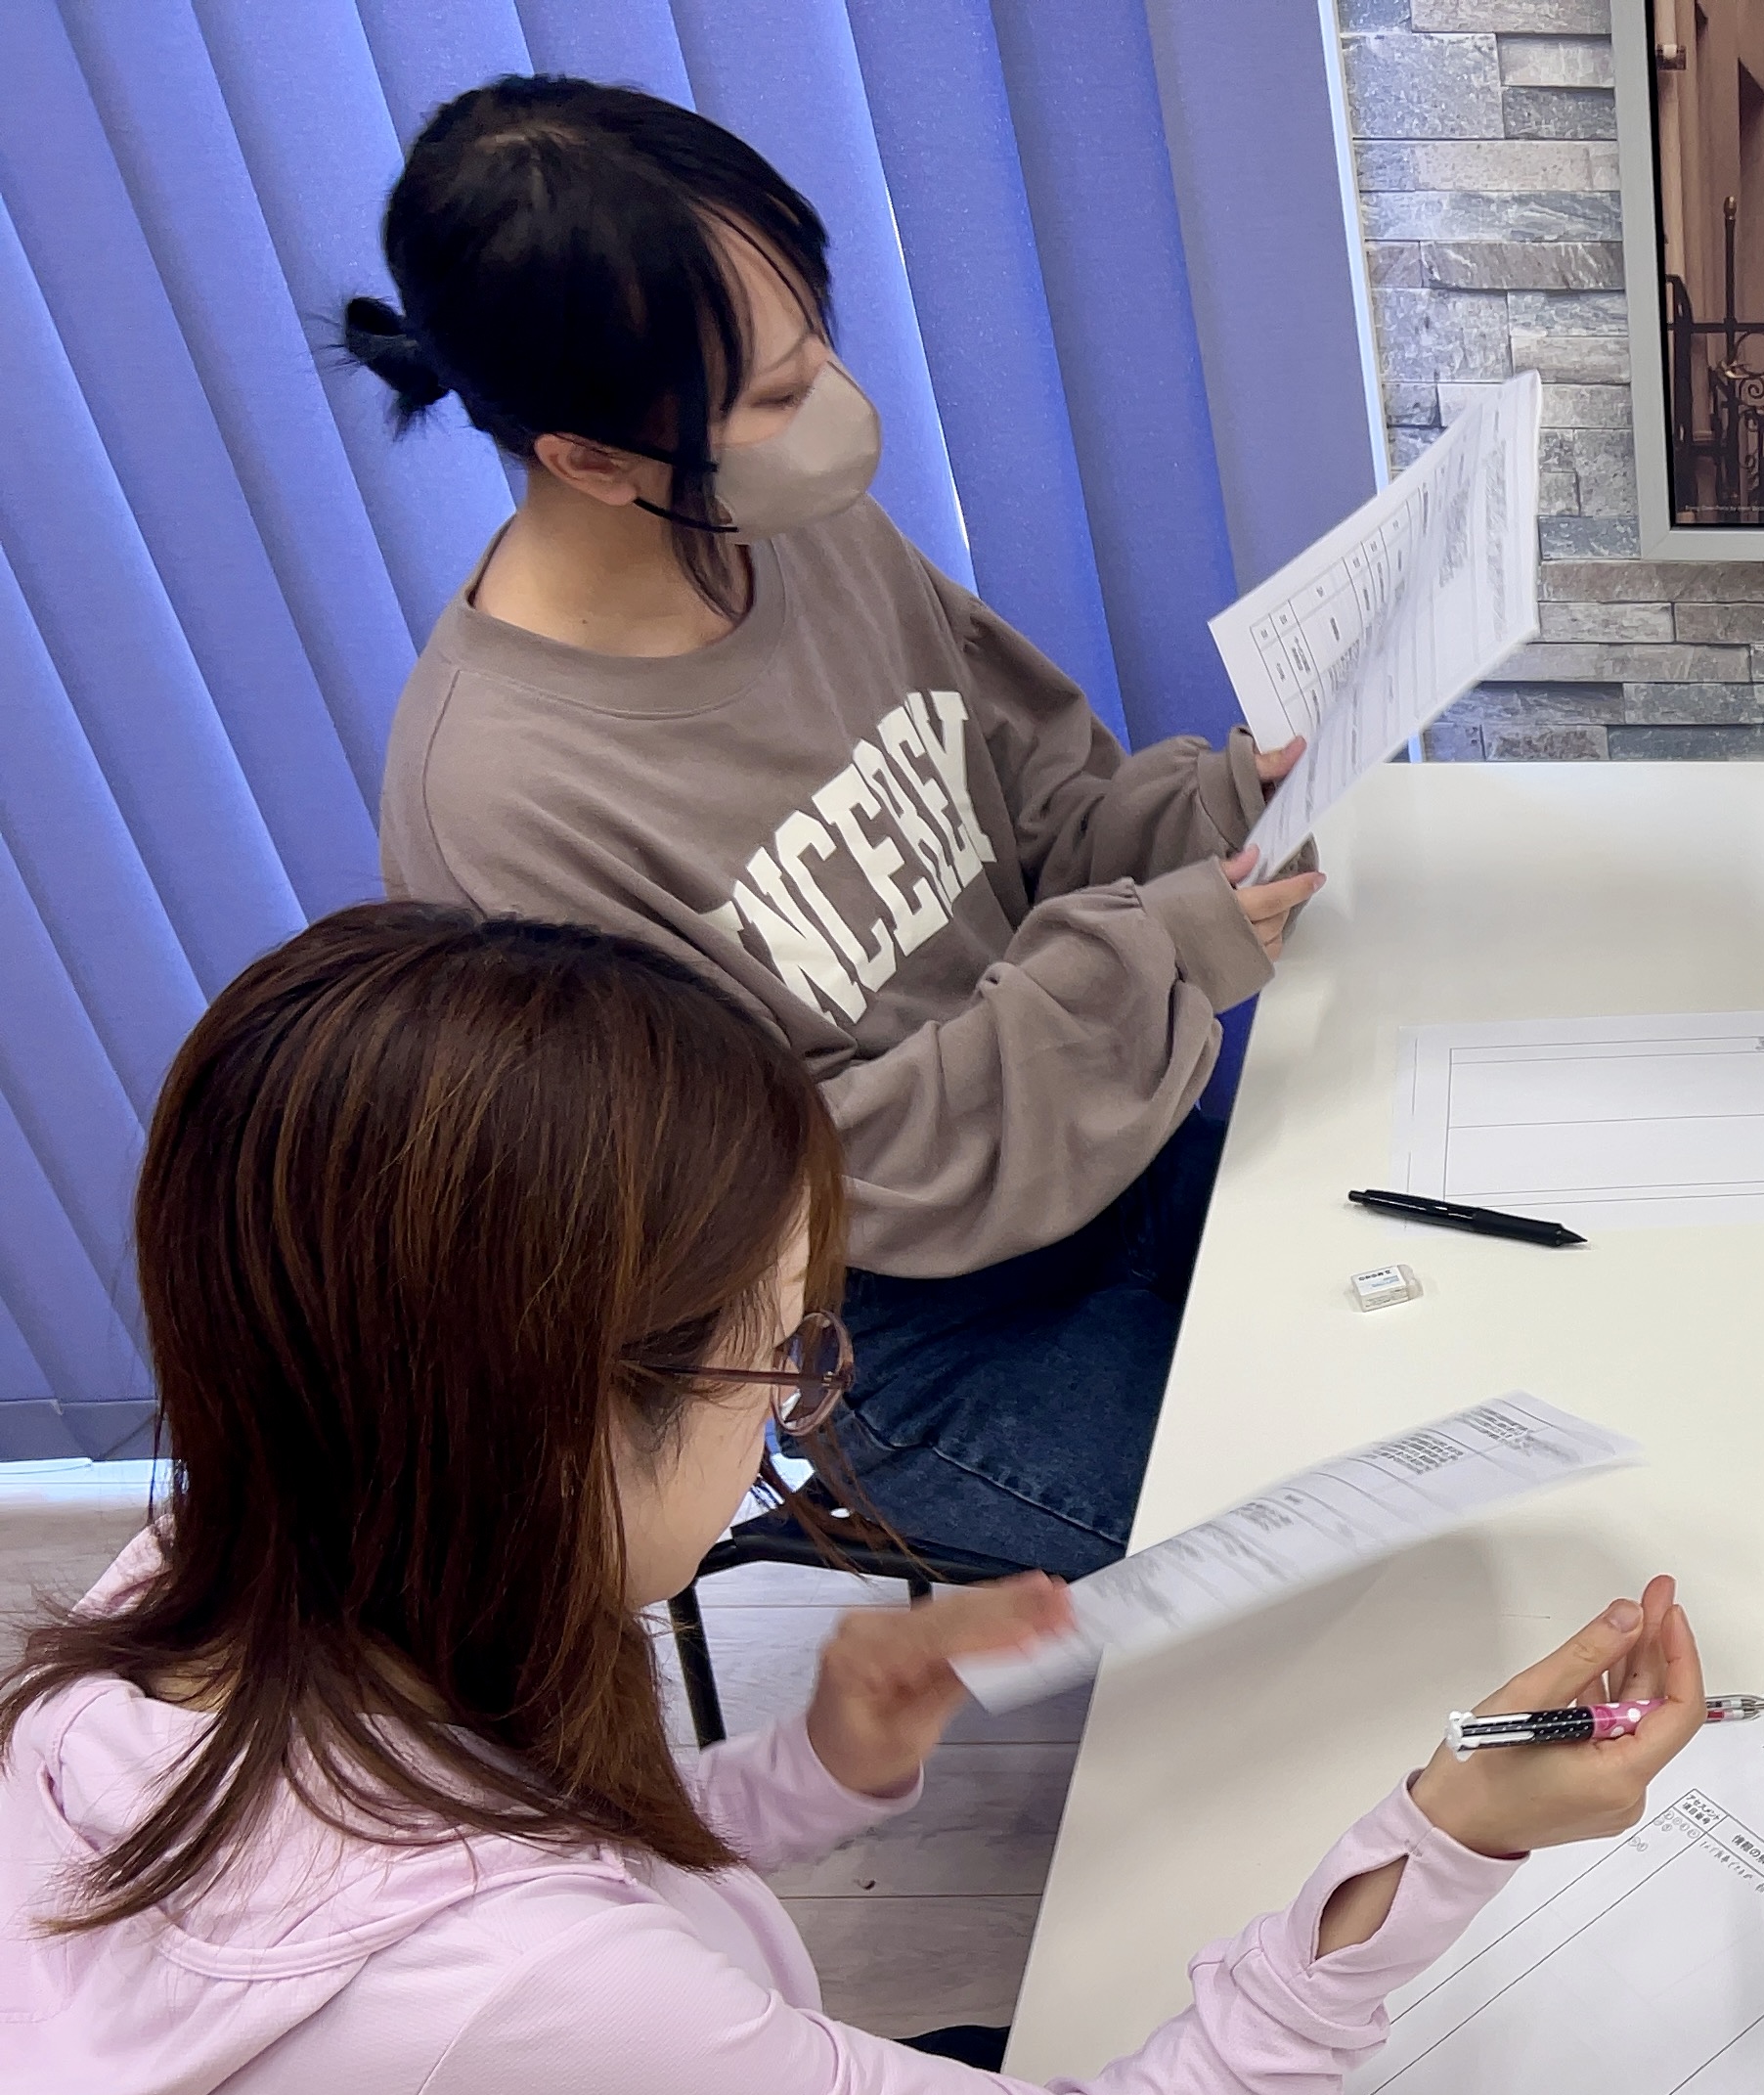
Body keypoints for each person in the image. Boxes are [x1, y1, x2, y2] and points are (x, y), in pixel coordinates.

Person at [0, 902, 1698, 2095]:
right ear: (552, 1418)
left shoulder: (210, 1604)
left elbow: (552, 1886)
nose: (794, 1430)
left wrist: (820, 1764)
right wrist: (1451, 1834)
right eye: (782, 1366)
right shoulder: (483, 2004)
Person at [342, 77, 1319, 1577]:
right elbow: (782, 1189)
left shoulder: (790, 526)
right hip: (906, 1334)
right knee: (1328, 1562)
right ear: (589, 459)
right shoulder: (502, 806)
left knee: (1439, 1397)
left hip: (1112, 1157)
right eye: (776, 397)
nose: (838, 410)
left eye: (816, 345)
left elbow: (1038, 815)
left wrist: (1214, 812)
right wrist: (1149, 961)